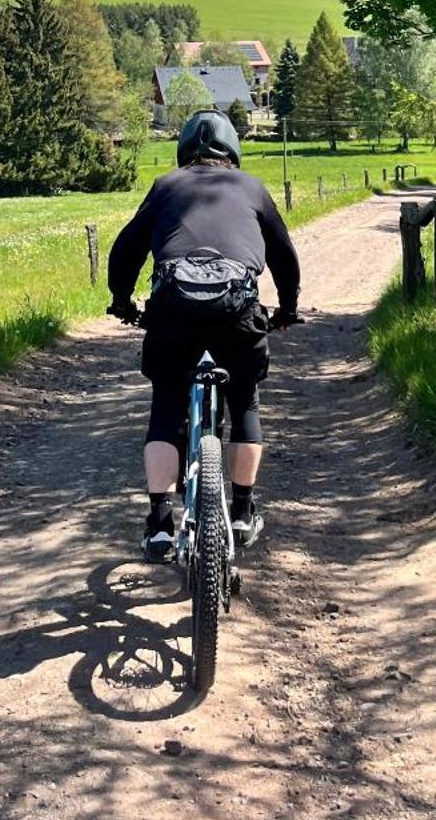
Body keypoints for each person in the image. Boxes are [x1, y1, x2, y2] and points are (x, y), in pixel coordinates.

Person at [106, 107, 302, 561]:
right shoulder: (251, 188)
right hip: (237, 307)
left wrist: (121, 300)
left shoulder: (166, 186)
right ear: (233, 150)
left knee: (167, 407)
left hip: (172, 307)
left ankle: (159, 522)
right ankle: (241, 510)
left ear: (182, 152)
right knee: (245, 401)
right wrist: (287, 308)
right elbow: (284, 257)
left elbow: (127, 248)